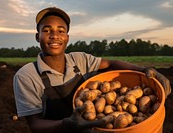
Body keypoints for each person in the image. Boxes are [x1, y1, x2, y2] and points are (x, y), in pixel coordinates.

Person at [13, 7, 171, 133]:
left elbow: (110, 64)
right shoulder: (26, 76)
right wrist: (66, 125)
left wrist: (145, 69)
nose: (55, 35)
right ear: (37, 36)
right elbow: (35, 125)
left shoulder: (79, 59)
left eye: (61, 31)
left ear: (67, 37)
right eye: (47, 30)